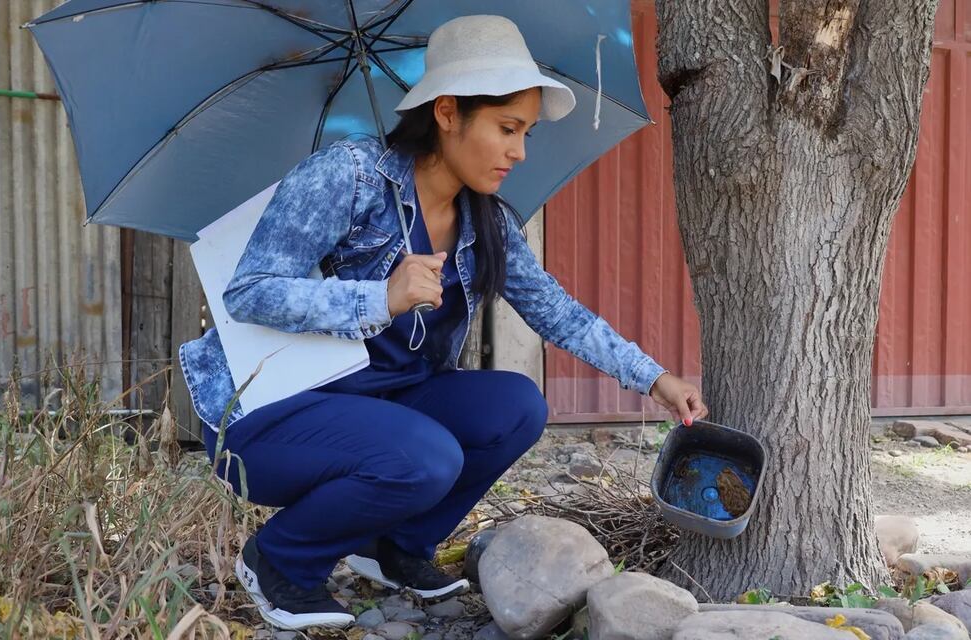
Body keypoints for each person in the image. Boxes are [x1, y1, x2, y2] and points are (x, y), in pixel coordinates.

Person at [178, 14, 708, 631]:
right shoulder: (348, 176)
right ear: (448, 113)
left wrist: (654, 378)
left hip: (384, 404)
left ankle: (392, 546)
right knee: (426, 456)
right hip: (273, 416)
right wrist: (378, 297)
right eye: (507, 128)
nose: (519, 151)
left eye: (527, 133)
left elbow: (556, 312)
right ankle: (279, 561)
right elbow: (249, 292)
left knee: (517, 406)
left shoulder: (485, 220)